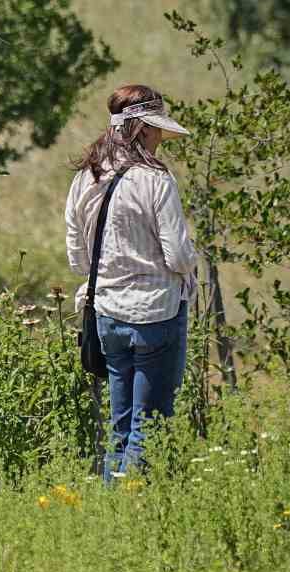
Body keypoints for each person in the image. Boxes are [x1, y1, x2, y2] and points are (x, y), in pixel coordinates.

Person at [65, 85, 199, 477]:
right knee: (149, 427)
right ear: (142, 129)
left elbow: (78, 260)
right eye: (157, 130)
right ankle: (136, 508)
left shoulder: (86, 178)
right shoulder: (156, 180)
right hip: (156, 312)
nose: (160, 139)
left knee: (120, 427)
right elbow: (177, 256)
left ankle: (114, 505)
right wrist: (194, 258)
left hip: (106, 312)